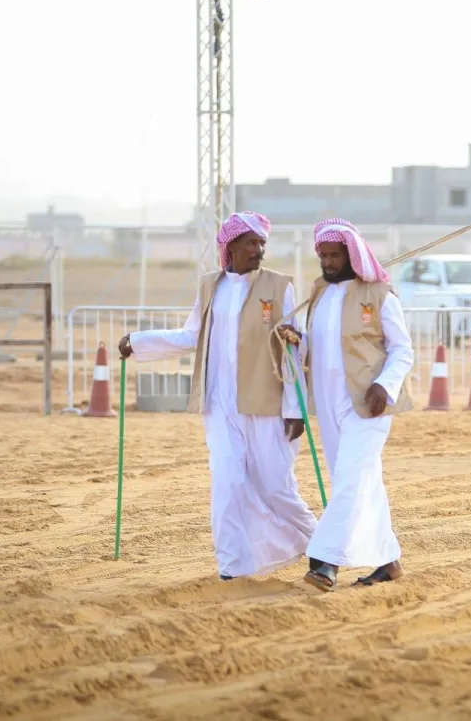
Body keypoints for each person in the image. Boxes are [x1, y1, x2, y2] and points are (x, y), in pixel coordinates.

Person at [119, 212, 317, 580]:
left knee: (275, 486)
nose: (258, 250)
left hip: (267, 405)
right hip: (220, 405)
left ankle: (322, 548)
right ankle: (233, 566)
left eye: (262, 244)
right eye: (251, 244)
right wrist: (138, 342)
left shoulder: (279, 287)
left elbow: (295, 349)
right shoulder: (211, 286)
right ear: (230, 248)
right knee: (227, 484)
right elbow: (191, 335)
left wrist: (295, 407)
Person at [278, 219, 413, 591]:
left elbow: (403, 349)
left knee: (351, 481)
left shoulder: (380, 293)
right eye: (322, 255)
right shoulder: (319, 292)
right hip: (328, 402)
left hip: (369, 404)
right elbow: (319, 346)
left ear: (352, 255)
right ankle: (388, 561)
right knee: (357, 481)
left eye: (334, 255)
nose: (327, 262)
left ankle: (325, 562)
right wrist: (296, 339)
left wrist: (384, 386)